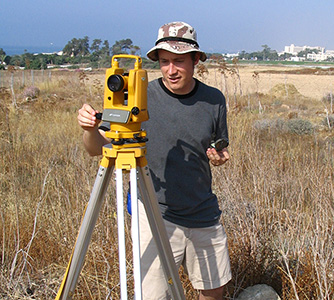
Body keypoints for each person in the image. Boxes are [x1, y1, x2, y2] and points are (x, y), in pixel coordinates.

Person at [77, 21, 231, 300]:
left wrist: (219, 157)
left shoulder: (214, 100)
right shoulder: (138, 96)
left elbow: (218, 147)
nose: (171, 70)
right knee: (154, 296)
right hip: (153, 214)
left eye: (179, 61)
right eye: (164, 62)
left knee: (213, 291)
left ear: (195, 60)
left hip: (202, 211)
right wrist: (89, 129)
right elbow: (95, 148)